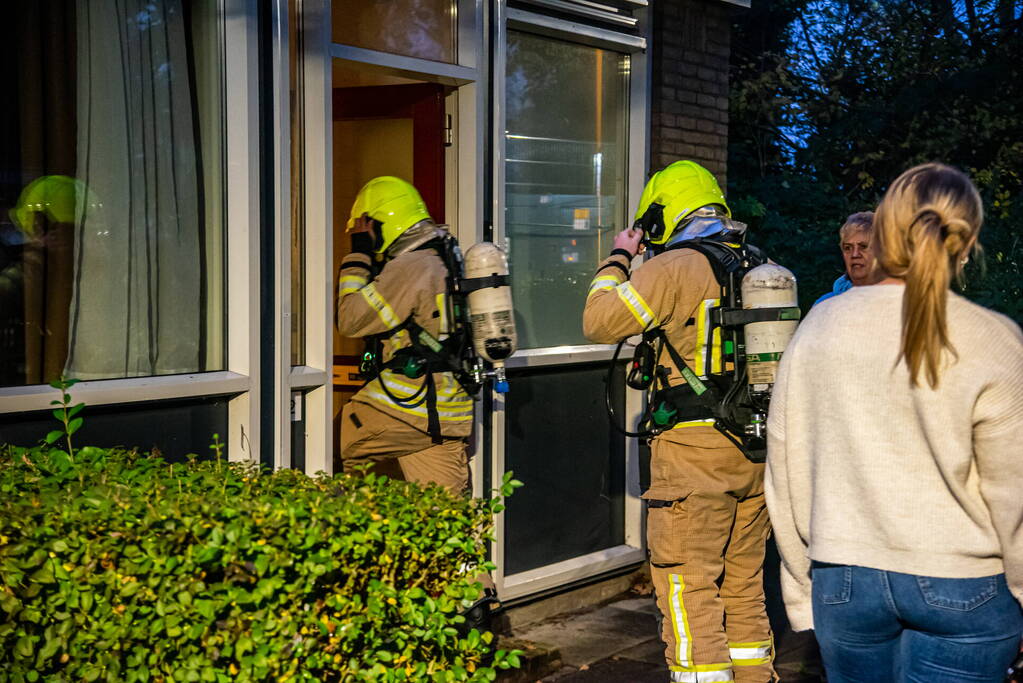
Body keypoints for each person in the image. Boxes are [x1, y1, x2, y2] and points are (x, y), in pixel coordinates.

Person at [765, 163, 1023, 683]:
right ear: (967, 241)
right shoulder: (992, 338)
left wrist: (801, 587)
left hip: (844, 579)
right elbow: (1014, 489)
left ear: (883, 235)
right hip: (962, 581)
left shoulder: (820, 325)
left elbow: (786, 466)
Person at [583, 160, 778, 683]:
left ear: (663, 215)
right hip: (756, 451)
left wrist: (619, 257)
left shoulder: (674, 267)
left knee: (688, 585)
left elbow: (599, 321)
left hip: (694, 457)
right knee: (743, 586)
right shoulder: (759, 265)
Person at [336, 176, 498, 626]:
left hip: (409, 414)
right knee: (448, 531)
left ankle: (464, 629)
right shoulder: (449, 256)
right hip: (444, 415)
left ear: (380, 225)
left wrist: (357, 257)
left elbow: (351, 319)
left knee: (339, 447)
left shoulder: (412, 266)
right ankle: (455, 624)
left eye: (368, 230)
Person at [813, 211, 880, 305]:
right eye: (848, 248)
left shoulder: (898, 300)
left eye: (864, 247)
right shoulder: (824, 304)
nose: (854, 254)